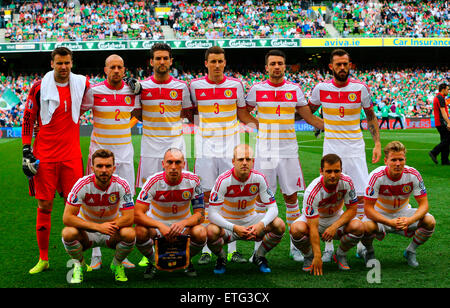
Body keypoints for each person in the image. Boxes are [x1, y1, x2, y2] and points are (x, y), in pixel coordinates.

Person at [246, 49, 324, 262]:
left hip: (288, 149)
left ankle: (295, 247)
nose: (277, 67)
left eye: (280, 63)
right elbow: (242, 112)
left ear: (284, 66)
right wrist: (259, 126)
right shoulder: (257, 89)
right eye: (273, 63)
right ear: (267, 67)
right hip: (266, 150)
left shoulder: (294, 89)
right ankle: (257, 249)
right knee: (262, 198)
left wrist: (333, 127)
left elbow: (308, 117)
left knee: (291, 198)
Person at [21, 47, 90, 274]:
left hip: (71, 157)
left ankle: (79, 260)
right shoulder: (39, 87)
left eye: (67, 63)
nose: (63, 67)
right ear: (52, 63)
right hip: (45, 158)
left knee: (75, 209)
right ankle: (43, 259)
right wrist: (26, 149)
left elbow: (108, 88)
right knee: (45, 205)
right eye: (59, 63)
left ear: (72, 63)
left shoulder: (81, 83)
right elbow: (28, 119)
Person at [308, 48, 381, 262]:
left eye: (345, 64)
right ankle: (329, 244)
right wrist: (321, 125)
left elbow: (370, 117)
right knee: (330, 194)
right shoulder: (320, 88)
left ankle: (358, 241)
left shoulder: (360, 88)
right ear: (331, 66)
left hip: (356, 148)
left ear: (350, 65)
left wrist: (377, 143)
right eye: (338, 64)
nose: (342, 68)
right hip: (332, 150)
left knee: (359, 195)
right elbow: (306, 111)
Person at [190, 46, 259, 265]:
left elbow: (242, 113)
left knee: (229, 195)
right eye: (213, 61)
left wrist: (263, 128)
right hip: (205, 149)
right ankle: (206, 250)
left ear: (225, 62)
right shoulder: (195, 86)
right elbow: (189, 112)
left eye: (220, 61)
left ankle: (232, 249)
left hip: (231, 148)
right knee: (208, 197)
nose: (217, 65)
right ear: (206, 63)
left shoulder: (235, 85)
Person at [135, 43, 192, 267]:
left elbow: (187, 111)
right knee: (147, 199)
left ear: (171, 61)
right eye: (157, 58)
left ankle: (178, 243)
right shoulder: (141, 87)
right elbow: (137, 112)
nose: (161, 62)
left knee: (180, 194)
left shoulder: (181, 86)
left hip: (176, 145)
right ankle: (148, 252)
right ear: (151, 62)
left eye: (165, 58)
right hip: (150, 147)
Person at [82, 54, 141, 270]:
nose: (116, 70)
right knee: (94, 202)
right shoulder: (95, 92)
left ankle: (121, 254)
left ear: (124, 70)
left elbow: (140, 113)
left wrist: (128, 123)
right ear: (105, 70)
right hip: (98, 156)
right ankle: (95, 255)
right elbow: (78, 112)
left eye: (120, 67)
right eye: (112, 67)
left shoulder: (132, 91)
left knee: (125, 203)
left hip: (124, 156)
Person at [207, 144, 285, 274]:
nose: (244, 163)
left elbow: (273, 208)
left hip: (251, 222)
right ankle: (221, 258)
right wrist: (234, 228)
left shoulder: (259, 178)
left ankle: (259, 256)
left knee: (279, 225)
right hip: (229, 224)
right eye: (240, 159)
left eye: (248, 159)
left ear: (253, 162)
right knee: (210, 231)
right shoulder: (223, 180)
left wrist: (261, 224)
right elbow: (212, 214)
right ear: (233, 161)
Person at [62, 149, 135, 283]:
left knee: (130, 233)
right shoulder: (82, 185)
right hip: (87, 232)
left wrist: (108, 227)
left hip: (111, 231)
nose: (103, 170)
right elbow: (67, 217)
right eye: (99, 166)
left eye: (107, 166)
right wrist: (97, 227)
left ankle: (117, 263)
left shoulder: (122, 184)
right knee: (67, 233)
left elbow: (129, 218)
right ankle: (80, 264)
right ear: (92, 168)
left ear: (114, 168)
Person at [361, 141, 436, 268]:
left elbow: (424, 204)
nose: (397, 164)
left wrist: (410, 220)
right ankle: (368, 251)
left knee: (430, 221)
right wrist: (389, 222)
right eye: (393, 160)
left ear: (405, 159)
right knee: (364, 227)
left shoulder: (413, 174)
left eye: (401, 159)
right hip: (381, 214)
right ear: (386, 161)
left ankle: (410, 251)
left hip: (403, 213)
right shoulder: (376, 176)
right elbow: (368, 209)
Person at [134, 148, 206, 278]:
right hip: (157, 227)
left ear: (184, 164)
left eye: (178, 162)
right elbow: (137, 214)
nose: (173, 167)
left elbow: (200, 214)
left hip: (182, 226)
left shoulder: (193, 181)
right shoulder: (153, 181)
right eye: (169, 162)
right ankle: (154, 261)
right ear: (163, 164)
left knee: (201, 232)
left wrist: (183, 223)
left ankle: (186, 260)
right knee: (139, 232)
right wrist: (160, 226)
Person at [290, 154, 363, 275]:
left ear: (341, 170)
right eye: (328, 171)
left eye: (336, 171)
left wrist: (334, 226)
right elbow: (313, 226)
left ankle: (340, 255)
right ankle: (309, 256)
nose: (333, 175)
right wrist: (317, 255)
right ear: (321, 171)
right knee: (296, 229)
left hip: (336, 218)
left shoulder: (347, 182)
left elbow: (352, 209)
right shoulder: (312, 191)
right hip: (315, 221)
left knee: (359, 226)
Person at [429, 83, 450, 165]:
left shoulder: (439, 97)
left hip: (439, 122)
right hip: (442, 122)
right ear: (443, 89)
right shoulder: (440, 98)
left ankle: (444, 160)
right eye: (448, 89)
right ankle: (434, 152)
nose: (448, 91)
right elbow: (443, 112)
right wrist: (448, 122)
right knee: (447, 140)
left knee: (445, 140)